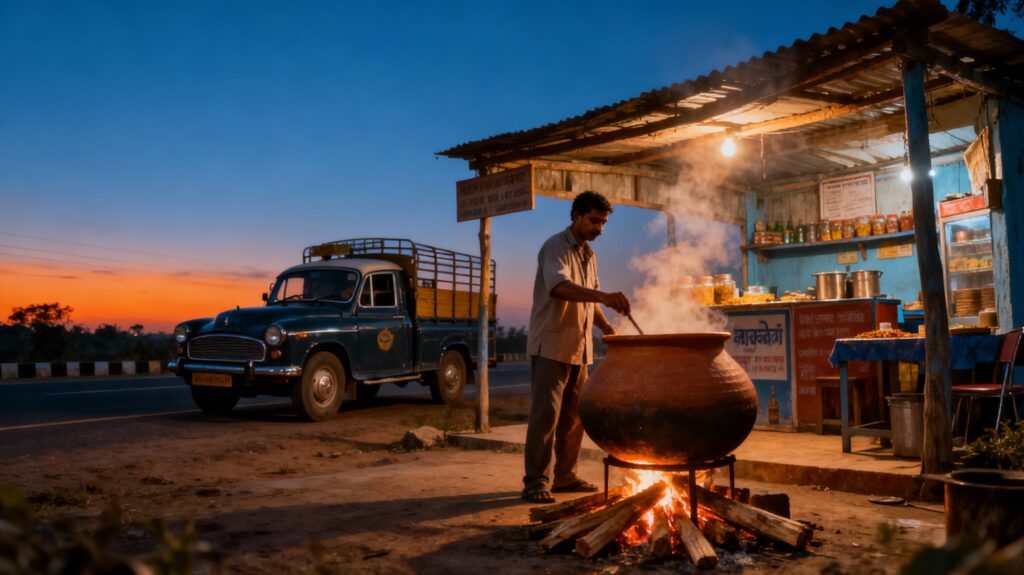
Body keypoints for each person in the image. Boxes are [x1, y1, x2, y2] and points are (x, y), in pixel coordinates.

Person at [521, 190, 631, 503]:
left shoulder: (589, 255)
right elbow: (559, 288)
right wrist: (604, 296)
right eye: (595, 220)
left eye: (604, 222)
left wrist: (608, 329)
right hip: (552, 345)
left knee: (574, 419)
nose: (600, 228)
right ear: (576, 217)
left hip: (580, 349)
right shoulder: (555, 247)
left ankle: (565, 478)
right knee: (546, 417)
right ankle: (535, 482)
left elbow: (589, 298)